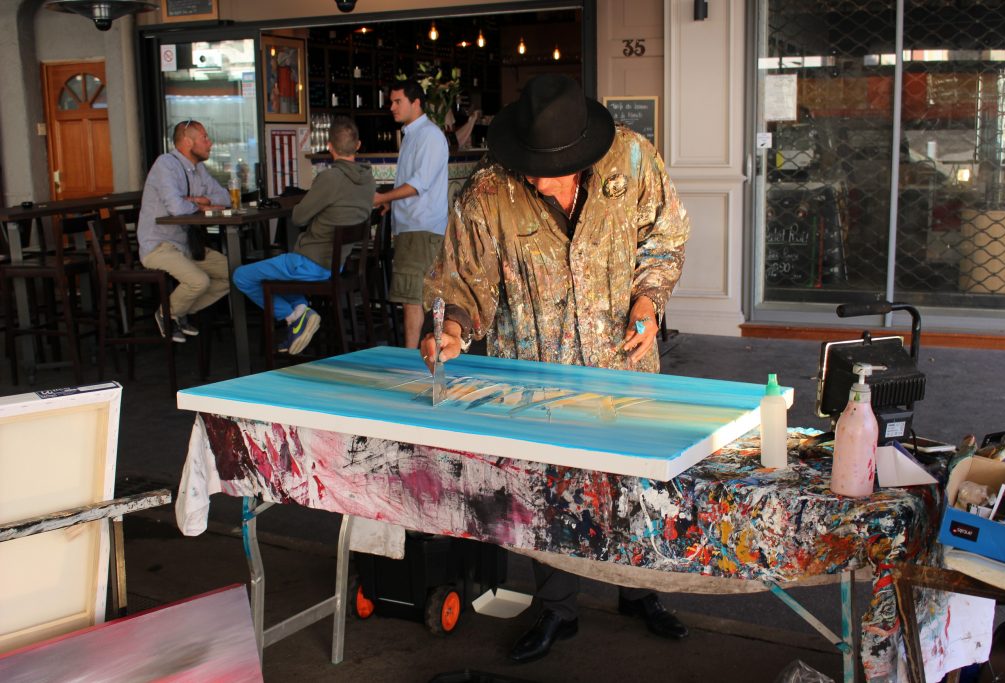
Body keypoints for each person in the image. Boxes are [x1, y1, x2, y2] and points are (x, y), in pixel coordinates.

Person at [419, 74, 692, 663]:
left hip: (623, 366)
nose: (535, 180)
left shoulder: (634, 159)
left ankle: (640, 591)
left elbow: (666, 236)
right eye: (529, 166)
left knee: (636, 486)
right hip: (536, 375)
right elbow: (463, 278)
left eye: (549, 169)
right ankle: (556, 609)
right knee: (547, 492)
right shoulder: (487, 189)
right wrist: (451, 327)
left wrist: (649, 300)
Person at [232, 117, 375, 355]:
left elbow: (298, 217)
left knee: (242, 276)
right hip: (336, 266)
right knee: (277, 277)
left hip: (309, 263)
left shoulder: (329, 178)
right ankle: (301, 312)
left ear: (329, 146)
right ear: (358, 145)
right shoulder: (368, 179)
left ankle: (293, 316)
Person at [137, 119, 231, 344]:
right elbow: (177, 208)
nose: (210, 143)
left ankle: (177, 312)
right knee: (199, 281)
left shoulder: (198, 169)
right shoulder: (165, 165)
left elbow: (225, 198)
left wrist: (199, 199)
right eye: (205, 138)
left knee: (234, 273)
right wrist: (201, 204)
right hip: (159, 246)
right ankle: (167, 314)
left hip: (186, 246)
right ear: (188, 142)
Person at [373, 79, 449, 348]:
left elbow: (419, 183)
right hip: (415, 227)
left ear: (416, 102)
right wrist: (391, 204)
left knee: (413, 298)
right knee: (415, 296)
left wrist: (383, 197)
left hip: (421, 228)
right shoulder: (413, 134)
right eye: (391, 102)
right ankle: (420, 355)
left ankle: (411, 358)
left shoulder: (428, 135)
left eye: (398, 102)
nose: (392, 107)